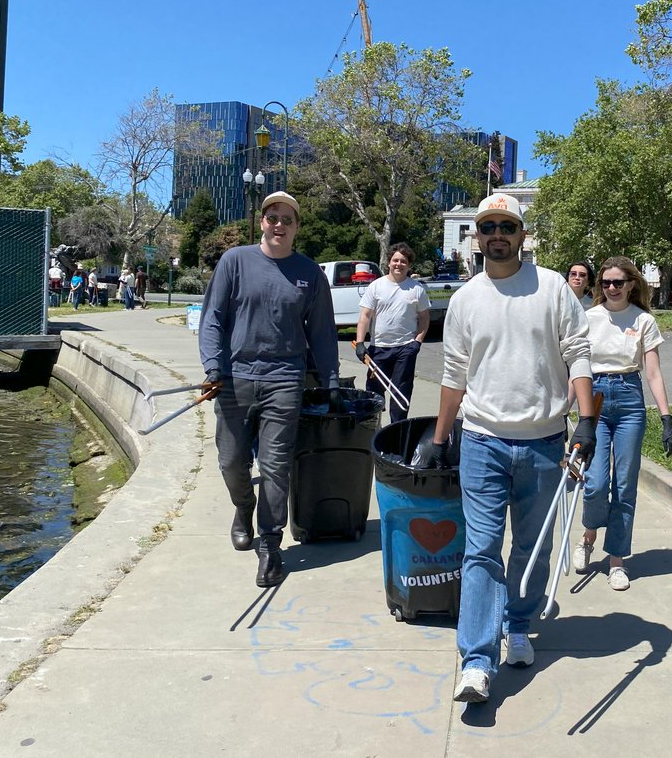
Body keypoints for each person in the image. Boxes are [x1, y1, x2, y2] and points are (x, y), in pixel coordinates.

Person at [424, 193, 597, 705]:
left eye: (507, 225)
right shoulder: (464, 300)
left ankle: (517, 624)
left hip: (545, 443)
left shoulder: (552, 289)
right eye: (488, 226)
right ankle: (476, 660)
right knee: (481, 551)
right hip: (481, 441)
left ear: (523, 235)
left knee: (532, 547)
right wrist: (439, 439)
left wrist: (586, 421)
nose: (497, 234)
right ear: (476, 237)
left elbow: (578, 354)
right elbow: (454, 374)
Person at [198, 191, 340, 588]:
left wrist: (330, 383)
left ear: (297, 227)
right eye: (272, 217)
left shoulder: (310, 274)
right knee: (231, 461)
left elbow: (323, 335)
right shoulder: (235, 261)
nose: (279, 224)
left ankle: (271, 545)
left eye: (287, 219)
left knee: (276, 466)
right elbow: (212, 319)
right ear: (261, 222)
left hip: (284, 380)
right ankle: (243, 508)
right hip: (233, 377)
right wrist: (213, 366)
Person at [573, 257, 672, 592]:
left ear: (631, 284)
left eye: (618, 282)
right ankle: (589, 535)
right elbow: (576, 368)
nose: (612, 288)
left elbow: (653, 372)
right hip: (596, 398)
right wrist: (564, 410)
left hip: (630, 399)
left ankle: (617, 559)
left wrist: (666, 418)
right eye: (605, 283)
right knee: (595, 482)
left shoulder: (644, 320)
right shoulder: (589, 318)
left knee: (624, 485)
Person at [354, 242, 430, 424]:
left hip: (405, 350)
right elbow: (365, 316)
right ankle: (371, 430)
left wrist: (417, 342)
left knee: (400, 395)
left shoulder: (417, 289)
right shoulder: (376, 286)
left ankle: (396, 434)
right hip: (378, 349)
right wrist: (360, 343)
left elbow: (424, 319)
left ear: (409, 265)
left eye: (403, 261)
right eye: (395, 260)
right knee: (373, 394)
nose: (399, 264)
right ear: (389, 263)